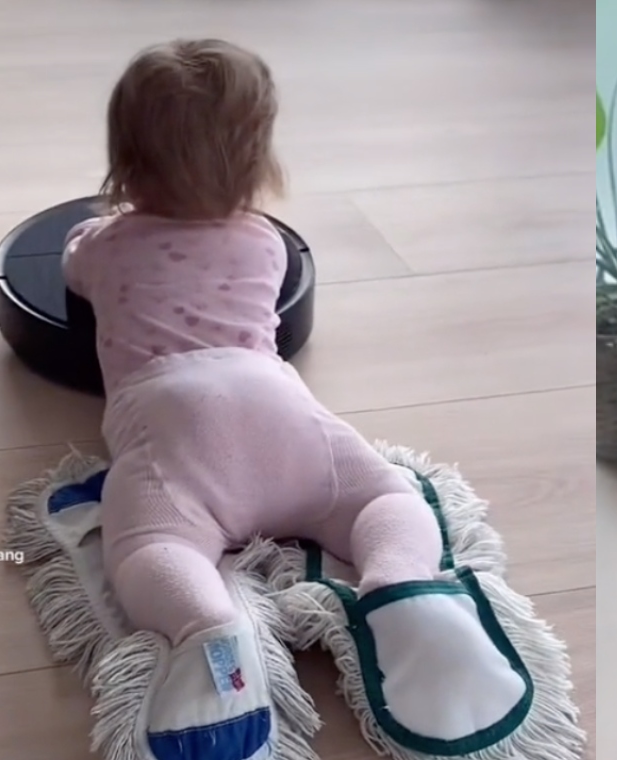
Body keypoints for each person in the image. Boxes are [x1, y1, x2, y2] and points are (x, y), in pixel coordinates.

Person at [63, 39, 525, 758]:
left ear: (124, 162)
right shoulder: (266, 244)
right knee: (382, 496)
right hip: (279, 406)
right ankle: (400, 580)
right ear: (259, 163)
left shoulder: (102, 247)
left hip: (170, 420)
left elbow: (72, 265)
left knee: (150, 546)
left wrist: (96, 234)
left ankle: (209, 630)